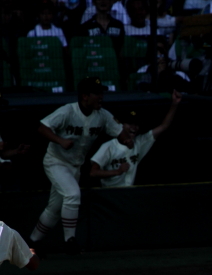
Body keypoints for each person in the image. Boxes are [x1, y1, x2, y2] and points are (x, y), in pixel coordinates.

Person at [29, 77, 126, 255]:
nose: (101, 96)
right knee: (73, 194)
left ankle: (32, 242)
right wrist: (60, 140)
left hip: (75, 167)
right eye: (96, 93)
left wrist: (126, 137)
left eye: (101, 92)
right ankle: (70, 241)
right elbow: (42, 127)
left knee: (55, 209)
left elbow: (120, 133)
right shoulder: (68, 111)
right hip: (56, 161)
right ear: (84, 96)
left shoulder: (102, 115)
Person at [90, 90, 181, 187]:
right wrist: (117, 171)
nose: (133, 127)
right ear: (121, 125)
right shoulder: (109, 146)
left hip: (129, 192)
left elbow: (164, 126)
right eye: (129, 123)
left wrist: (174, 104)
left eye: (136, 124)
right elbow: (93, 172)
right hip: (110, 194)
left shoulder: (139, 142)